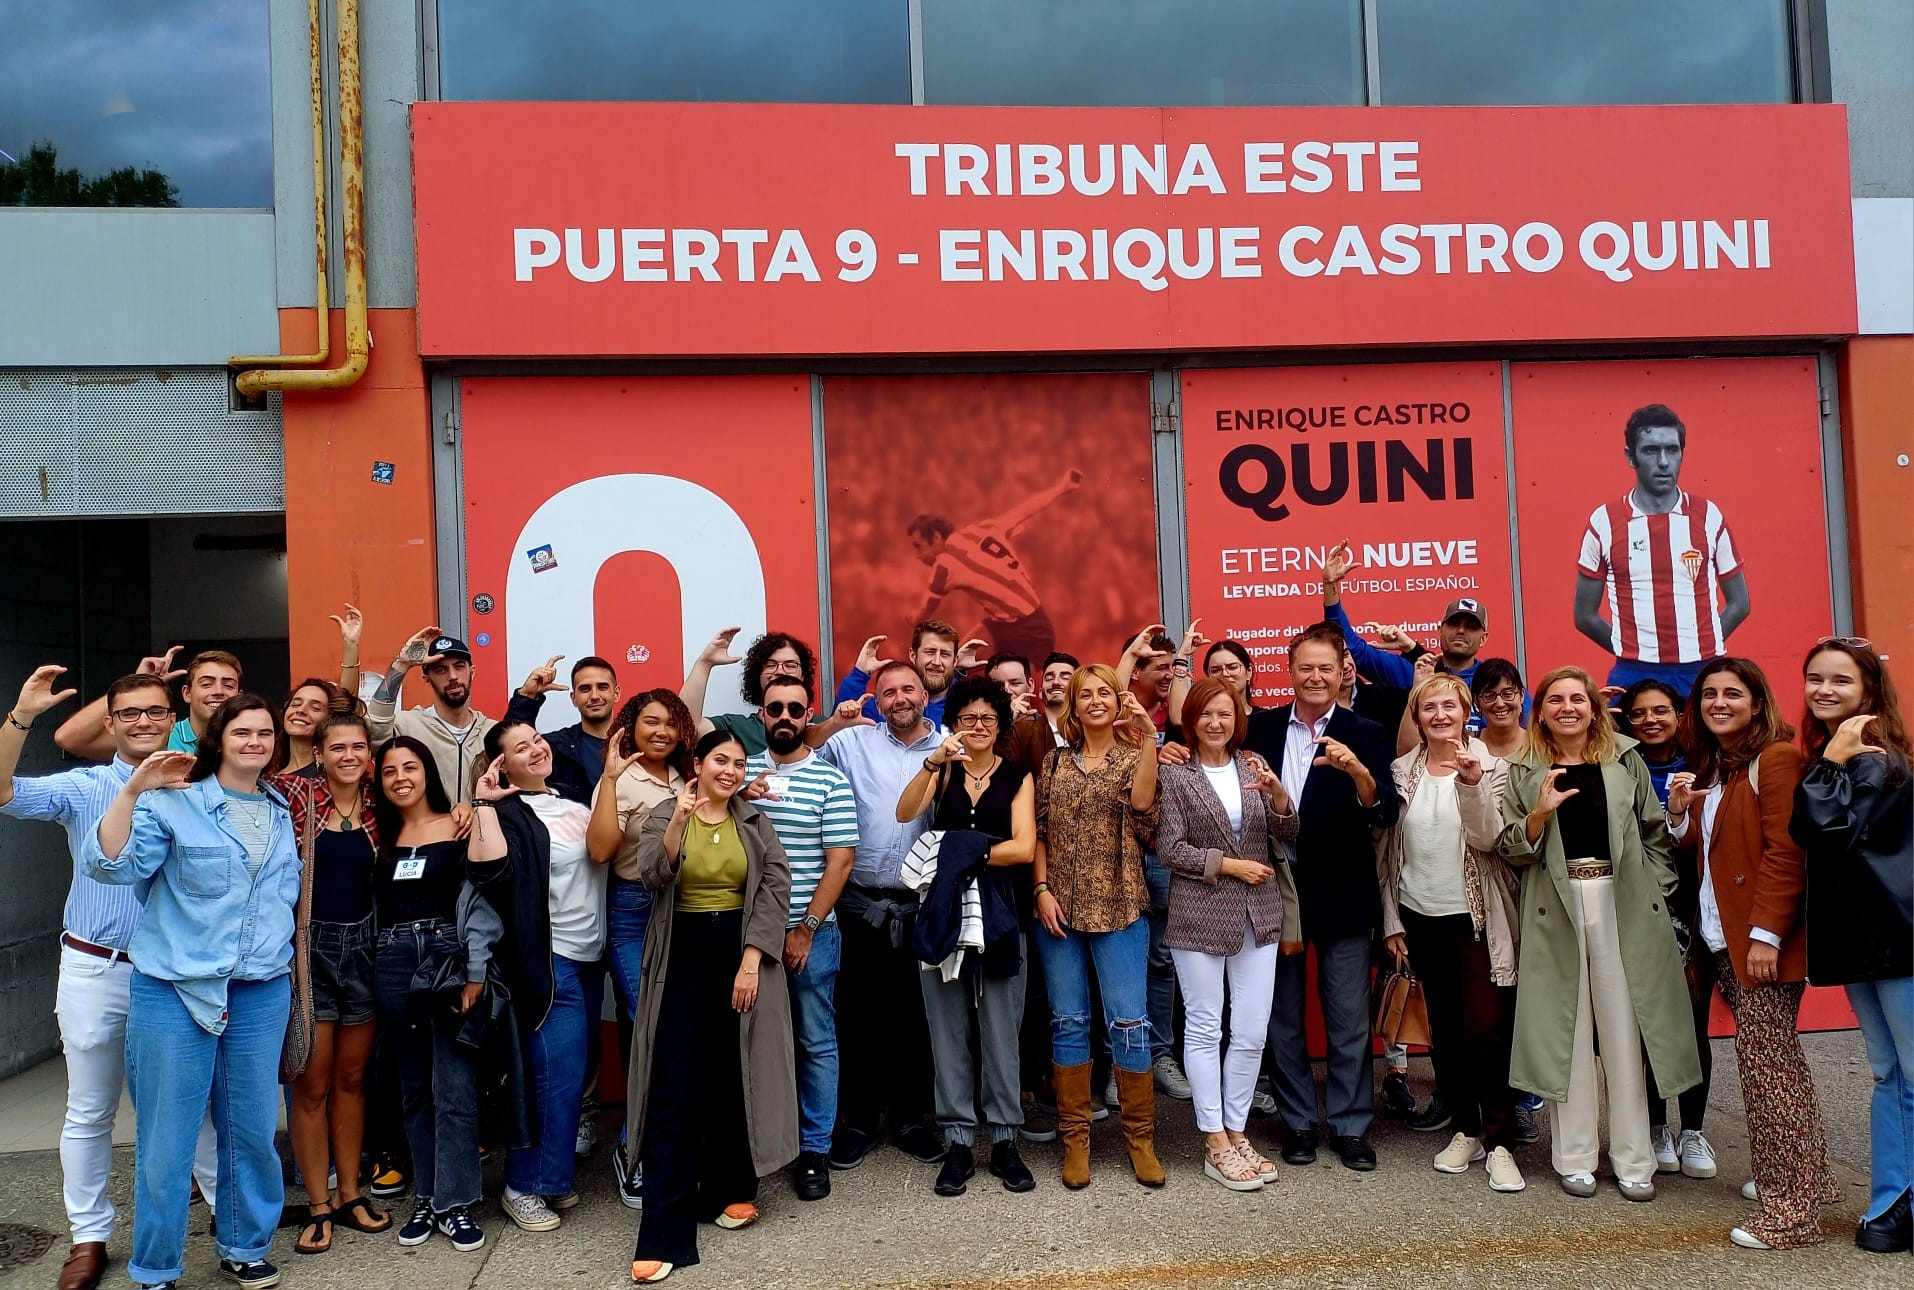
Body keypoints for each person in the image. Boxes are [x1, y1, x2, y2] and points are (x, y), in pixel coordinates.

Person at [0, 668, 219, 1290]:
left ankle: (228, 1218)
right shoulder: (86, 786)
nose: (145, 721)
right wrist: (21, 716)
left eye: (154, 710)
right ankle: (88, 1237)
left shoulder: (201, 781)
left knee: (195, 1104)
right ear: (113, 722)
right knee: (91, 1109)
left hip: (179, 973)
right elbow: (2, 792)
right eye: (130, 714)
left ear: (169, 712)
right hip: (99, 965)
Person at [82, 695, 298, 1290]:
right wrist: (131, 792)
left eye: (265, 732)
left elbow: (282, 901)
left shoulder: (281, 810)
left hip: (259, 991)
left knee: (252, 1130)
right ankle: (156, 1267)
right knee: (167, 1140)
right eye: (242, 732)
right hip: (175, 990)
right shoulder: (173, 803)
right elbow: (111, 867)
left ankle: (244, 1245)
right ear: (218, 740)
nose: (255, 741)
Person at [1497, 666, 1699, 1202]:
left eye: (1577, 699)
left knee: (1623, 1032)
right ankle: (1575, 1157)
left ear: (1593, 707)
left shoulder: (1624, 758)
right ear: (1539, 711)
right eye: (1555, 699)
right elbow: (1512, 847)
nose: (1567, 707)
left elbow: (1655, 833)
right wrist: (1539, 814)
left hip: (1622, 904)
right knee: (1568, 1032)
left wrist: (1656, 891)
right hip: (1556, 907)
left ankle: (1634, 1159)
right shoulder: (1525, 767)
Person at [1665, 658, 1834, 1249]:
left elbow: (1787, 854)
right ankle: (1810, 1182)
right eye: (1709, 693)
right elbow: (1709, 850)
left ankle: (1790, 1214)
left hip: (1759, 944)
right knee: (1778, 1065)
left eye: (1732, 693)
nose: (1718, 702)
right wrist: (1682, 814)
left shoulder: (1777, 759)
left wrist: (1765, 934)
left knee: (1767, 1074)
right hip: (1722, 938)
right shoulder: (1719, 765)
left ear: (1758, 702)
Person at [627, 729, 797, 1283]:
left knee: (734, 1070)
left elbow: (776, 890)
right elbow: (652, 874)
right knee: (674, 1085)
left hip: (740, 954)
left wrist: (751, 962)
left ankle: (736, 1187)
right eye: (719, 760)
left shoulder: (754, 819)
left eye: (738, 762)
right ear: (697, 764)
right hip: (680, 954)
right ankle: (662, 1230)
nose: (729, 770)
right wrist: (679, 818)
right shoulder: (663, 813)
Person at [1246, 624, 1401, 1172]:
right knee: (1282, 1016)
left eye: (1325, 668)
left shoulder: (1366, 731)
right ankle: (1297, 1124)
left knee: (1347, 1018)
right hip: (1274, 893)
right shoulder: (1258, 727)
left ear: (1343, 673)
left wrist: (1357, 769)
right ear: (1289, 673)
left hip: (1344, 891)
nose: (1315, 677)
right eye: (1305, 668)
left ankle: (1351, 1126)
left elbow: (1384, 812)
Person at [1378, 674, 1525, 1193]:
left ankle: (1501, 1139)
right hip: (1421, 917)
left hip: (1477, 920)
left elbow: (1489, 840)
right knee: (1445, 1030)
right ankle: (1466, 1129)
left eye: (1449, 706)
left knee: (1487, 1027)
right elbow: (1388, 856)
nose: (1440, 715)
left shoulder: (1496, 769)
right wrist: (1393, 921)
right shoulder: (1402, 771)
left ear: (1467, 713)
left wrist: (1470, 783)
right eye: (1428, 708)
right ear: (1417, 719)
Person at [1790, 638, 1912, 1254]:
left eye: (1840, 679)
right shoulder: (1843, 756)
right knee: (1892, 1073)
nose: (1824, 690)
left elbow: (1819, 829)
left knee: (1908, 1075)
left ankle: (1896, 1203)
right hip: (1871, 943)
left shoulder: (1870, 760)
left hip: (1899, 941)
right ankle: (1893, 1201)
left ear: (1869, 690)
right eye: (1815, 678)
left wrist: (1832, 760)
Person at [896, 676, 1037, 1196]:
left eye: (987, 719)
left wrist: (956, 852)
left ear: (1000, 726)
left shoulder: (1018, 774)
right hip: (942, 912)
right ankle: (958, 1141)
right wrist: (934, 761)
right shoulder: (944, 770)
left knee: (1002, 1028)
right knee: (946, 1027)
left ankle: (1004, 1140)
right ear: (954, 723)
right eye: (967, 718)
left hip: (1001, 911)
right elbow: (905, 813)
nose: (977, 727)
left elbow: (1023, 848)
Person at [466, 717, 608, 1232]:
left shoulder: (573, 801)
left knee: (572, 1077)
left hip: (591, 957)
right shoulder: (508, 813)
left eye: (537, 740)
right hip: (552, 961)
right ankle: (522, 1186)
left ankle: (553, 1176)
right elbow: (488, 872)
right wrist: (483, 803)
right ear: (503, 764)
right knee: (553, 1078)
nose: (536, 749)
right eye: (520, 748)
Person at [1156, 678, 1297, 1192]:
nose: (1216, 723)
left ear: (1238, 717)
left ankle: (1237, 1131)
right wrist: (1231, 866)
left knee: (1253, 1028)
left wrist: (1281, 798)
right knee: (1204, 1025)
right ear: (1190, 721)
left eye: (1226, 714)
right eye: (1206, 715)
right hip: (1199, 914)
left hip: (1258, 914)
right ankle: (1213, 1136)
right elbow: (1170, 848)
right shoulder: (1176, 773)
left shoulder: (1254, 764)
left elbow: (1286, 833)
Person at [1031, 664, 1163, 1189]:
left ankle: (1141, 1139)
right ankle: (1076, 1141)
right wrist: (1040, 891)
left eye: (1103, 692)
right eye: (1084, 694)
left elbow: (1143, 808)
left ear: (1118, 699)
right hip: (1058, 910)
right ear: (1074, 705)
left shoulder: (1135, 758)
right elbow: (1038, 831)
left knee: (1129, 1022)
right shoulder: (1054, 762)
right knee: (1068, 1022)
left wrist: (1150, 737)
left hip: (1122, 904)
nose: (1093, 701)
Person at [814, 661, 948, 1169]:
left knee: (917, 1015)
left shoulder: (950, 745)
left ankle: (914, 1119)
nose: (898, 699)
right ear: (877, 699)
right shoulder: (851, 744)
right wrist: (833, 721)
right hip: (858, 904)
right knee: (857, 1012)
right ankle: (860, 1120)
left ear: (924, 694)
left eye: (907, 689)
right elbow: (795, 753)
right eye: (887, 691)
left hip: (922, 904)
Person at [279, 713, 392, 1253]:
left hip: (367, 952)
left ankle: (350, 1193)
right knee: (311, 1084)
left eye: (359, 746)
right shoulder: (293, 796)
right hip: (310, 955)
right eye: (337, 747)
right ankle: (318, 1202)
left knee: (352, 1080)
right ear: (318, 753)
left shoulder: (381, 804)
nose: (349, 755)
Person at [370, 737, 487, 1253]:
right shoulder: (382, 834)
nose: (400, 777)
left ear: (428, 772)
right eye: (389, 769)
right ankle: (427, 1195)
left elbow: (481, 901)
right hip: (393, 959)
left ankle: (456, 1202)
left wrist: (476, 971)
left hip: (446, 957)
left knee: (454, 1086)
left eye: (410, 767)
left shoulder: (460, 824)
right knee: (414, 1085)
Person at [742, 675, 857, 1202]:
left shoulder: (829, 781)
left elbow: (840, 861)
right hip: (747, 937)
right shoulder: (739, 774)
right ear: (761, 716)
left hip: (811, 933)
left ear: (807, 715)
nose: (785, 716)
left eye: (795, 709)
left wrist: (806, 929)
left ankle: (813, 1150)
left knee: (815, 1043)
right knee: (754, 1044)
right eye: (775, 709)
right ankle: (762, 1144)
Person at [588, 687, 696, 1208]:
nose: (661, 731)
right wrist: (609, 781)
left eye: (670, 724)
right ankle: (633, 1151)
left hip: (684, 909)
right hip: (632, 911)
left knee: (673, 1033)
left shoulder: (686, 776)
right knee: (652, 1025)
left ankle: (666, 1144)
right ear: (630, 726)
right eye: (650, 722)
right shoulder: (620, 779)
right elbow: (601, 850)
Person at [1573, 404, 1750, 696]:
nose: (1664, 462)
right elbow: (1584, 616)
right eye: (1651, 451)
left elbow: (1740, 603)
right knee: (1630, 744)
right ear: (1631, 457)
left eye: (1672, 449)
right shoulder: (1604, 521)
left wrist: (1700, 644)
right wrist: (1631, 647)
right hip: (1634, 671)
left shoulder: (1709, 516)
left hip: (1702, 668)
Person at [1618, 676, 1715, 1176]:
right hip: (1635, 906)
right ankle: (1656, 1126)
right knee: (1643, 1021)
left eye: (1661, 711)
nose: (1650, 721)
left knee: (1692, 1020)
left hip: (1693, 907)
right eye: (1638, 713)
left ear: (1680, 715)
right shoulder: (1617, 766)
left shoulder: (1704, 766)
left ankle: (1693, 1130)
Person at [1113, 625, 1192, 1103]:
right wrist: (1131, 652)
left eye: (1173, 668)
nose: (1168, 674)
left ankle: (1160, 1055)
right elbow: (1107, 689)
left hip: (1163, 854)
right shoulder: (1118, 712)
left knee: (1162, 960)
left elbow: (1186, 712)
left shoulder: (1178, 718)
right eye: (1157, 667)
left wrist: (1178, 663)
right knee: (1120, 959)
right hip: (1118, 854)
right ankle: (1123, 1060)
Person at [904, 468, 1081, 663]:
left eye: (919, 547)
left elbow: (923, 616)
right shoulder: (984, 528)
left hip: (1031, 632)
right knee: (960, 666)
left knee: (1025, 689)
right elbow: (1026, 510)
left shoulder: (945, 565)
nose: (918, 556)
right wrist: (1061, 487)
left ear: (936, 537)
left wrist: (914, 618)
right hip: (1006, 624)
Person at [367, 627, 497, 804]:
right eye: (440, 670)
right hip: (426, 830)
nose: (452, 676)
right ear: (427, 678)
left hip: (482, 830)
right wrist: (401, 665)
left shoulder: (493, 731)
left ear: (471, 672)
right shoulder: (407, 725)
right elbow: (373, 729)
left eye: (459, 666)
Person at [53, 648, 243, 762]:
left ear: (239, 696)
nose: (218, 691)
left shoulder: (253, 740)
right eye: (206, 683)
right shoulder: (158, 735)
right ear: (187, 693)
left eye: (228, 685)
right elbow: (67, 739)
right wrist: (136, 682)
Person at [508, 654, 622, 801]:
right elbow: (510, 748)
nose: (594, 696)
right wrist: (527, 696)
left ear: (616, 693)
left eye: (602, 687)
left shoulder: (636, 742)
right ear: (573, 698)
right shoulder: (556, 747)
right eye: (585, 689)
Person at [835, 620, 965, 727]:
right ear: (913, 655)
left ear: (955, 662)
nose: (937, 662)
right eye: (930, 652)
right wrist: (859, 676)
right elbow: (839, 737)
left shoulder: (967, 708)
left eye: (945, 654)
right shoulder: (888, 705)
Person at [278, 678, 353, 778]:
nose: (300, 710)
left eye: (315, 708)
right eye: (295, 704)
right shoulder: (265, 775)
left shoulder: (333, 779)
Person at [1470, 660, 1528, 763]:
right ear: (1477, 701)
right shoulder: (1468, 747)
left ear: (1522, 695)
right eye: (1489, 696)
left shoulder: (1542, 744)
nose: (1500, 704)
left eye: (1507, 694)